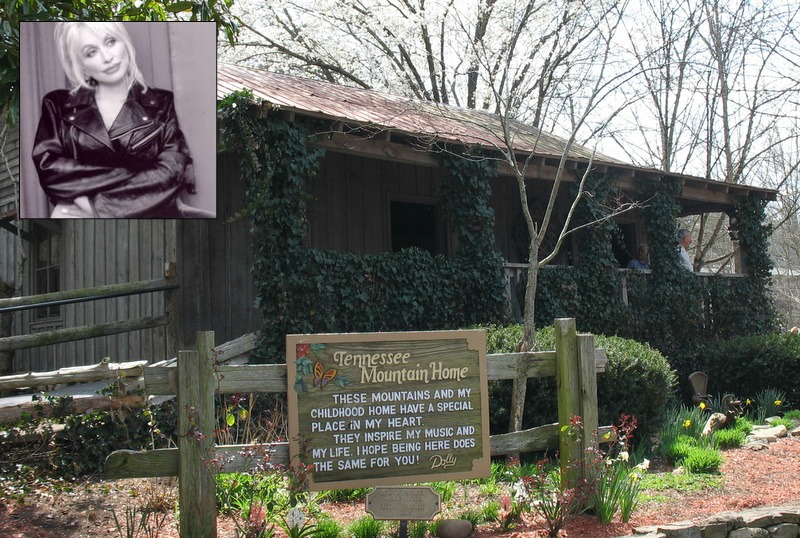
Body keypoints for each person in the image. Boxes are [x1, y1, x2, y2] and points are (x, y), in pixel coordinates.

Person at [31, 22, 196, 218]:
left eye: (110, 42)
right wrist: (133, 174)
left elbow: (170, 171)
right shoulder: (58, 105)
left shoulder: (162, 103)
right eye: (91, 52)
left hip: (147, 215)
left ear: (124, 43)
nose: (107, 57)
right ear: (81, 65)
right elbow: (49, 168)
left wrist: (95, 206)